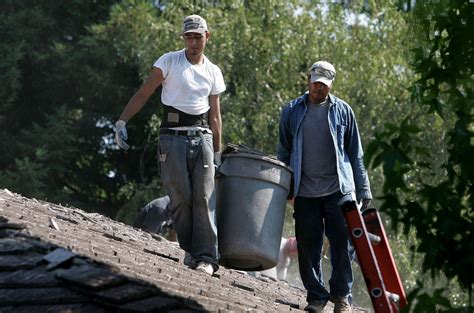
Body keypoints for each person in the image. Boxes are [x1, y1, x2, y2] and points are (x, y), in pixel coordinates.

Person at [115, 14, 226, 276]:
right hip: (172, 137)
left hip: (203, 139)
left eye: (198, 36)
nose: (193, 42)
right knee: (180, 197)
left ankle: (207, 257)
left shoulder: (213, 71)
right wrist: (122, 121)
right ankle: (190, 251)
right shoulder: (169, 61)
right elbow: (145, 92)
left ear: (207, 37)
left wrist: (219, 152)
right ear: (183, 38)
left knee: (203, 197)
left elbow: (216, 115)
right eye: (189, 37)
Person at [277, 61, 372, 313]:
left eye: (324, 85)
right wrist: (286, 188)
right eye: (315, 82)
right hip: (305, 190)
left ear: (331, 85)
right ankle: (316, 297)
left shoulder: (343, 111)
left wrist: (363, 190)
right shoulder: (291, 111)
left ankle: (341, 296)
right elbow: (284, 151)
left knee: (342, 243)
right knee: (308, 245)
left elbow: (355, 153)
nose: (319, 88)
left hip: (338, 189)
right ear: (308, 80)